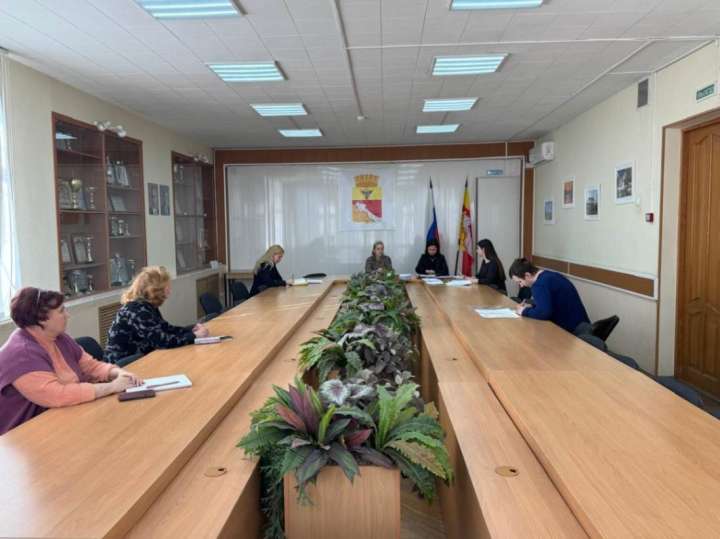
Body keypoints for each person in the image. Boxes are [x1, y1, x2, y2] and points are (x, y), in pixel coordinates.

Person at [0, 287, 143, 435]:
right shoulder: (22, 354)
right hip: (21, 434)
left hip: (62, 417)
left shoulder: (59, 337)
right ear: (42, 319)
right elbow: (58, 395)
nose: (67, 315)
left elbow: (91, 367)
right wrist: (112, 387)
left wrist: (118, 373)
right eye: (61, 311)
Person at [105, 266, 209, 363]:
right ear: (155, 289)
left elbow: (165, 328)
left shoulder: (146, 306)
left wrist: (191, 329)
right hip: (124, 366)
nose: (169, 290)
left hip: (139, 359)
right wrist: (194, 336)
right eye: (167, 287)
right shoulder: (138, 310)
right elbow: (161, 341)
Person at [508, 258, 590, 333]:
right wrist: (532, 305)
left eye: (520, 282)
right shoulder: (548, 275)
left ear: (527, 275)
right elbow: (550, 301)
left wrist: (523, 311)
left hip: (572, 332)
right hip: (582, 325)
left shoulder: (539, 285)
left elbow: (544, 313)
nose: (521, 286)